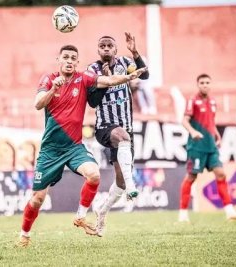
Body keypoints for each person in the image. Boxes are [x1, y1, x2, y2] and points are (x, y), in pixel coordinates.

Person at [18, 44, 147, 247]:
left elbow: (109, 80)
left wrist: (129, 77)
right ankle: (24, 235)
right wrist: (54, 89)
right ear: (58, 59)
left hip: (74, 147)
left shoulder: (83, 78)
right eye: (66, 57)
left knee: (94, 174)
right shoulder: (49, 78)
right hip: (50, 150)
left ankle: (80, 215)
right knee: (37, 199)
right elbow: (38, 104)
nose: (69, 61)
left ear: (77, 62)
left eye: (73, 58)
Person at [86, 33, 149, 237]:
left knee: (120, 182)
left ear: (115, 49)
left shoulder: (125, 62)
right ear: (98, 50)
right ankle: (133, 186)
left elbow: (144, 75)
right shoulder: (93, 70)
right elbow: (93, 102)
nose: (106, 48)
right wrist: (106, 82)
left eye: (109, 45)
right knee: (122, 136)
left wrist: (135, 52)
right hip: (105, 127)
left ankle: (102, 211)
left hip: (126, 127)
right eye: (102, 45)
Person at [178, 74, 236, 222]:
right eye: (202, 82)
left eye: (207, 82)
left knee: (221, 173)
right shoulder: (193, 101)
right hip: (196, 147)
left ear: (210, 84)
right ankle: (183, 214)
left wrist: (217, 135)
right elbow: (184, 120)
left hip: (211, 146)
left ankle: (230, 211)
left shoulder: (213, 101)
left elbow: (210, 121)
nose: (205, 85)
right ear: (198, 85)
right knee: (191, 177)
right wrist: (193, 132)